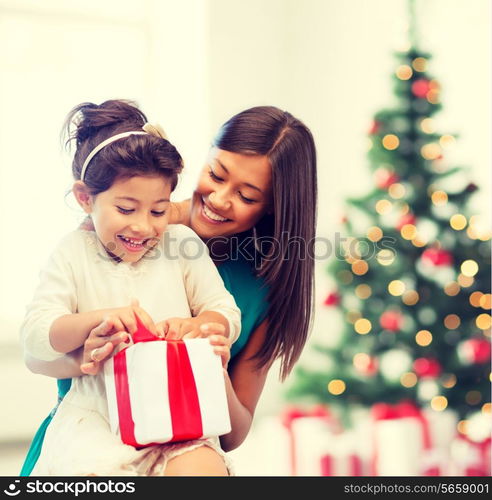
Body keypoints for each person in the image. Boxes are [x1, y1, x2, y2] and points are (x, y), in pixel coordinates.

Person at [21, 104, 317, 476]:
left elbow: (234, 432)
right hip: (91, 432)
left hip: (182, 438)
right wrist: (89, 353)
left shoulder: (255, 285)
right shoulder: (109, 231)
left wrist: (210, 359)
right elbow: (37, 348)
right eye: (216, 174)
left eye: (247, 196)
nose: (221, 199)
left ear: (273, 207)